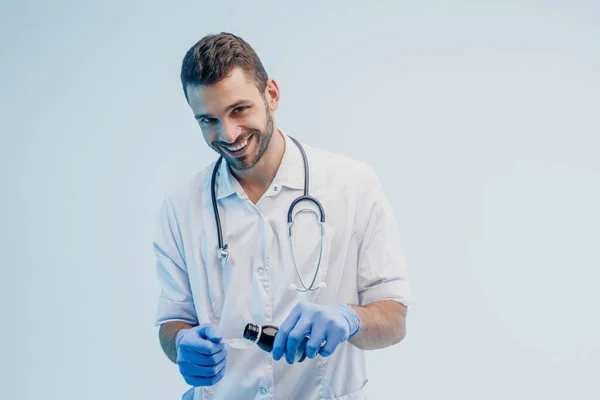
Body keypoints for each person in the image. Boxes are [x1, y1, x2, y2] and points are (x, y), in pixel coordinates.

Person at [153, 32, 414, 400]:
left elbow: (394, 319)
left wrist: (350, 318)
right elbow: (172, 322)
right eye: (208, 121)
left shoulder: (352, 185)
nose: (228, 134)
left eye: (239, 110)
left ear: (271, 95)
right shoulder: (181, 207)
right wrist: (181, 343)